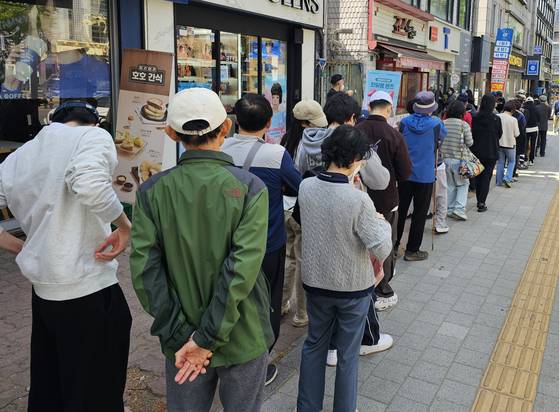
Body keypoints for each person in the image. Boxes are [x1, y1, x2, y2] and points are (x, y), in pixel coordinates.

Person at [130, 88, 274, 411]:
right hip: (243, 333)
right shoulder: (251, 189)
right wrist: (204, 340)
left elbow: (144, 273)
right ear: (226, 128)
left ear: (170, 133)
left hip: (180, 340)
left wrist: (186, 337)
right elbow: (240, 272)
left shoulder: (151, 192)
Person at [0, 101, 132, 412]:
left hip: (44, 291)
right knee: (96, 391)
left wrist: (17, 246)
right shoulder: (93, 137)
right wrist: (124, 227)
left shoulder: (23, 154)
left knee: (51, 387)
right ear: (94, 123)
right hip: (88, 285)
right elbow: (88, 183)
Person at [296, 125, 392, 412]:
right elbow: (382, 247)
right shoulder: (358, 199)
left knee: (314, 345)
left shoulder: (306, 186)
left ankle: (307, 407)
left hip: (316, 282)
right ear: (354, 159)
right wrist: (382, 222)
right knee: (348, 355)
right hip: (352, 287)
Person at [221, 93, 301, 385]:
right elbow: (298, 186)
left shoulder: (220, 150)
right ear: (269, 122)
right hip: (267, 242)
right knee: (266, 303)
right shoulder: (276, 154)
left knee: (230, 294)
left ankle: (226, 349)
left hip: (226, 241)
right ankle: (259, 363)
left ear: (235, 122)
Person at [356, 91, 412, 311]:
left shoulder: (356, 130)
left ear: (370, 107)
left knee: (360, 241)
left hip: (359, 195)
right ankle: (383, 287)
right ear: (389, 109)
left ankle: (364, 280)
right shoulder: (393, 134)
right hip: (386, 197)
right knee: (384, 240)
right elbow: (405, 171)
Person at [280, 100, 328, 327]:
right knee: (301, 261)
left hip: (283, 207)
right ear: (305, 123)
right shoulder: (320, 142)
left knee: (288, 257)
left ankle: (280, 304)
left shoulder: (284, 142)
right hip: (303, 208)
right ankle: (301, 314)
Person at [295, 92, 390, 191]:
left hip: (313, 199)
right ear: (352, 118)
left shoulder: (308, 141)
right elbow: (381, 182)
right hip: (348, 202)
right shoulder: (356, 144)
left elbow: (301, 172)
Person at [397, 91, 447, 261]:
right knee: (420, 213)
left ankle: (394, 247)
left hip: (404, 173)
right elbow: (441, 140)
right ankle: (412, 250)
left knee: (401, 211)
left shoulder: (403, 122)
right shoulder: (437, 124)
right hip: (425, 175)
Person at [442, 100, 474, 221]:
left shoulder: (442, 123)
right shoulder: (463, 125)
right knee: (463, 184)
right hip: (459, 160)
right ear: (462, 112)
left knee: (450, 185)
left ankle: (450, 209)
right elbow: (470, 143)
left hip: (445, 159)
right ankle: (459, 209)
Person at [471, 94, 503, 212]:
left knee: (478, 175)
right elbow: (499, 134)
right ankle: (481, 202)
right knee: (486, 177)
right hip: (491, 152)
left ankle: (478, 197)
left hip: (476, 152)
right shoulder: (496, 119)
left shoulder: (474, 118)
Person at [496, 101, 520, 188]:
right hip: (510, 144)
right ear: (513, 110)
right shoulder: (513, 120)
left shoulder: (497, 116)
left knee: (500, 162)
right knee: (511, 161)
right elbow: (517, 134)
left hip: (499, 143)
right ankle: (507, 178)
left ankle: (498, 182)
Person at [523, 96, 539, 166]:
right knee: (533, 144)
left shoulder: (524, 108)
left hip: (526, 129)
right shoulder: (536, 108)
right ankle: (531, 160)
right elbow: (539, 119)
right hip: (534, 129)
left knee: (525, 145)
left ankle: (525, 159)